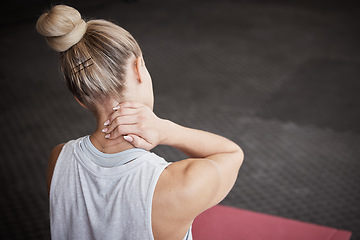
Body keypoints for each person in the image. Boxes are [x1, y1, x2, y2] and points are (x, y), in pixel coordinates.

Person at [37, 5, 244, 240]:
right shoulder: (180, 185)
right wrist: (168, 131)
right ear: (139, 69)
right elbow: (231, 154)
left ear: (81, 100)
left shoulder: (58, 160)